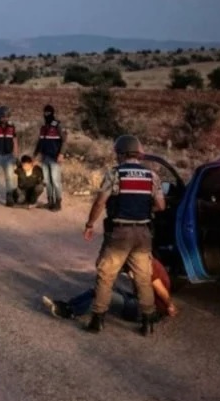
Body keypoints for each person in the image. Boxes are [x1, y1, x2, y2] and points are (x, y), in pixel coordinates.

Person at [83, 134, 166, 336]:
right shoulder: (152, 176)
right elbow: (161, 206)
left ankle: (98, 319)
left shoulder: (115, 174)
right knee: (143, 279)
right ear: (138, 153)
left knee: (106, 275)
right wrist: (145, 211)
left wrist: (90, 224)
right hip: (143, 234)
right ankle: (148, 322)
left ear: (120, 154)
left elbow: (100, 202)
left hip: (120, 233)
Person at [41, 257, 179, 322]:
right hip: (139, 302)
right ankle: (69, 305)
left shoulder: (148, 268)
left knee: (103, 294)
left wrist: (170, 306)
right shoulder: (142, 262)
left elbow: (160, 289)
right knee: (99, 289)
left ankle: (70, 312)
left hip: (145, 311)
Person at [33, 104, 67, 211]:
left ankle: (58, 203)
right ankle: (50, 201)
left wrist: (61, 154)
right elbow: (40, 142)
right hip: (44, 157)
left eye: (48, 112)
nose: (46, 114)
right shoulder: (43, 128)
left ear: (52, 113)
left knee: (56, 181)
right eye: (45, 112)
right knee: (47, 181)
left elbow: (65, 141)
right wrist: (35, 155)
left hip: (54, 158)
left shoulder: (58, 125)